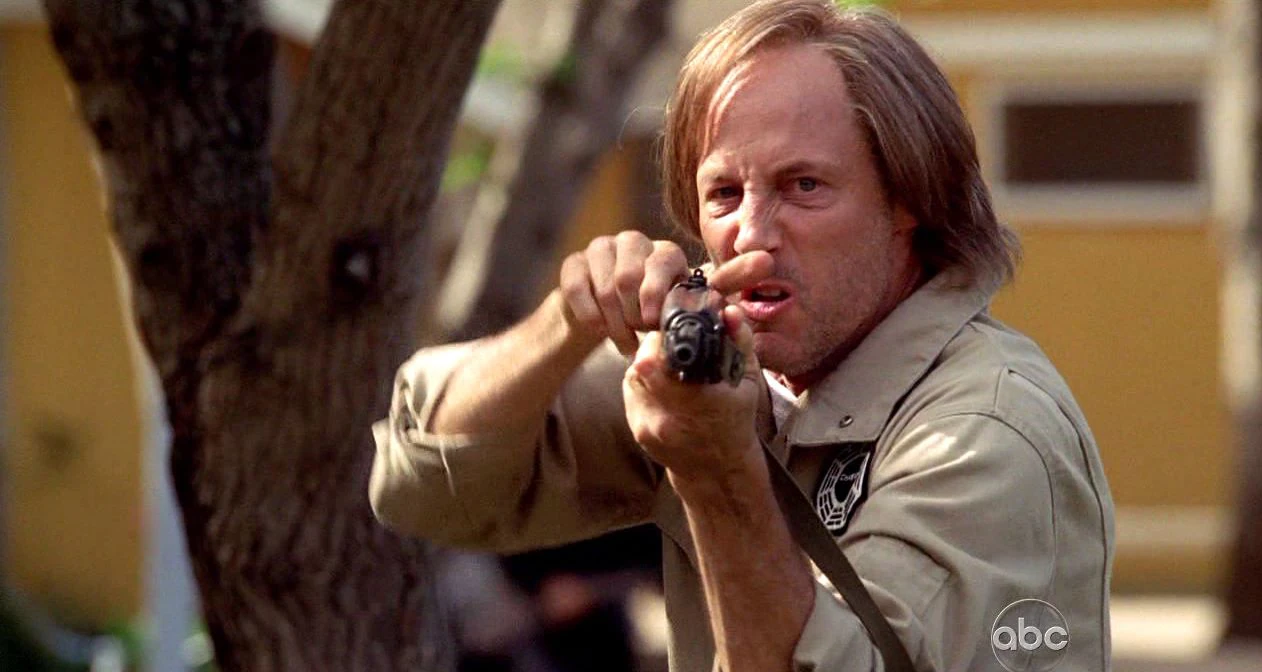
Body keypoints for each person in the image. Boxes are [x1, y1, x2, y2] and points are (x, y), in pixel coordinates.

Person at [369, 1, 1114, 670]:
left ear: (909, 199)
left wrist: (717, 471)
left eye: (804, 187)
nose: (751, 233)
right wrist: (565, 323)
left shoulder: (987, 430)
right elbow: (422, 483)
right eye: (724, 193)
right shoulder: (734, 376)